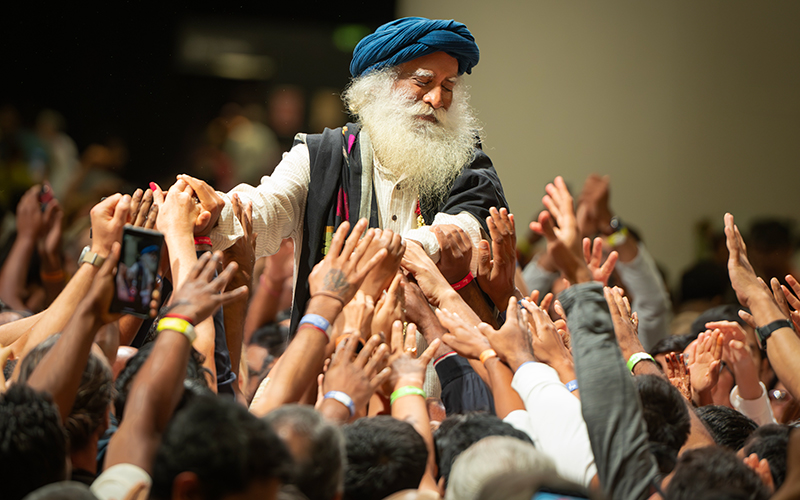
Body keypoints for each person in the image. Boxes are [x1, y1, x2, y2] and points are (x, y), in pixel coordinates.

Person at [177, 17, 508, 331]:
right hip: (328, 373)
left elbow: (465, 232)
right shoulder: (321, 155)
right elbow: (263, 209)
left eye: (448, 87)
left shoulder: (467, 163)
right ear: (377, 87)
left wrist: (378, 250)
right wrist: (212, 210)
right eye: (423, 82)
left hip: (438, 378)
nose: (437, 99)